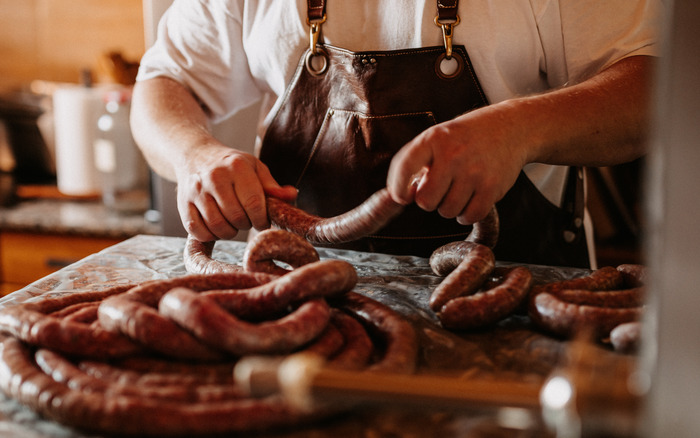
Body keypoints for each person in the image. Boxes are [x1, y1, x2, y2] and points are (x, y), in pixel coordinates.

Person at [131, 0, 659, 268]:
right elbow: (164, 82)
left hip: (512, 293)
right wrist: (194, 155)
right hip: (297, 299)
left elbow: (656, 86)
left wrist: (518, 129)